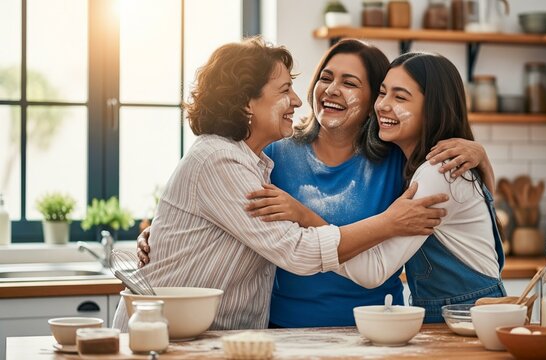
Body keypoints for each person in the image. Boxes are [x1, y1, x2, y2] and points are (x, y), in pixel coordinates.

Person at [138, 40, 493, 328]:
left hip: (372, 328)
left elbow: (472, 210)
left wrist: (480, 155)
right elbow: (216, 204)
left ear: (372, 102)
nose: (332, 90)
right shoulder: (271, 154)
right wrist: (163, 233)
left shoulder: (398, 159)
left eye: (350, 83)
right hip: (283, 328)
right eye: (326, 77)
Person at [339, 52, 506, 322]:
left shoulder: (439, 172)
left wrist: (305, 221)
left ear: (433, 107)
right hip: (460, 317)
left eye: (400, 97)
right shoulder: (437, 167)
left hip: (466, 321)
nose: (382, 105)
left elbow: (374, 271)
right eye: (382, 93)